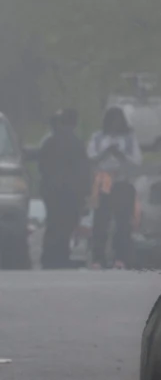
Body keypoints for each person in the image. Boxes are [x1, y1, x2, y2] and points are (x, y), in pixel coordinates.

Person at [28, 109, 91, 268]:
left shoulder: (51, 142)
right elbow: (83, 170)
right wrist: (84, 191)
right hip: (66, 191)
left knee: (56, 223)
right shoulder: (74, 143)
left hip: (56, 191)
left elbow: (42, 167)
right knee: (63, 223)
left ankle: (52, 256)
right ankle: (57, 256)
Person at [87, 107, 142, 269]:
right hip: (102, 183)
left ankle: (120, 258)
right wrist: (105, 153)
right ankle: (98, 258)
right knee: (100, 222)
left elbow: (137, 161)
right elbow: (90, 157)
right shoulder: (97, 137)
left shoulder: (130, 139)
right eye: (112, 121)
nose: (115, 125)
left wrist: (120, 155)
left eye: (118, 121)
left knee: (122, 222)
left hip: (122, 183)